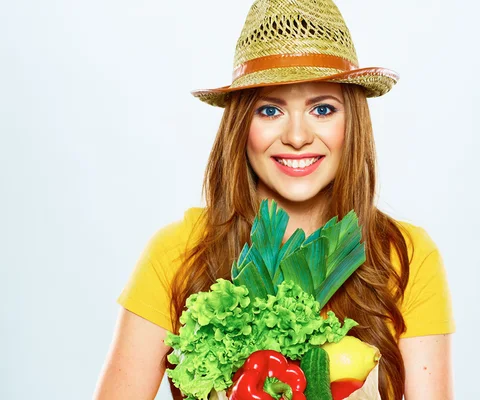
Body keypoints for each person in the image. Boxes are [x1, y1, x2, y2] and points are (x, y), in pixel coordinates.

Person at [94, 1, 456, 399]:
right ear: (240, 125)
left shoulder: (404, 255)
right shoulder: (177, 252)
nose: (297, 137)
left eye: (322, 108)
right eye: (270, 109)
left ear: (352, 122)